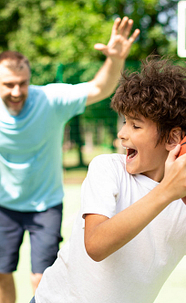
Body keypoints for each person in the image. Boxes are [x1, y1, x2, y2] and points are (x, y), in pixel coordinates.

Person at [32, 56, 186, 303]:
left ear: (172, 138)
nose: (122, 134)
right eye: (125, 122)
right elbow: (95, 245)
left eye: (135, 126)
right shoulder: (109, 169)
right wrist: (167, 191)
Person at [0, 16, 140, 303]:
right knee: (2, 273)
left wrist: (114, 59)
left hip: (45, 205)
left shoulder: (50, 100)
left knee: (41, 277)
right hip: (4, 206)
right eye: (8, 84)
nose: (16, 92)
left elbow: (99, 88)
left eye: (22, 84)